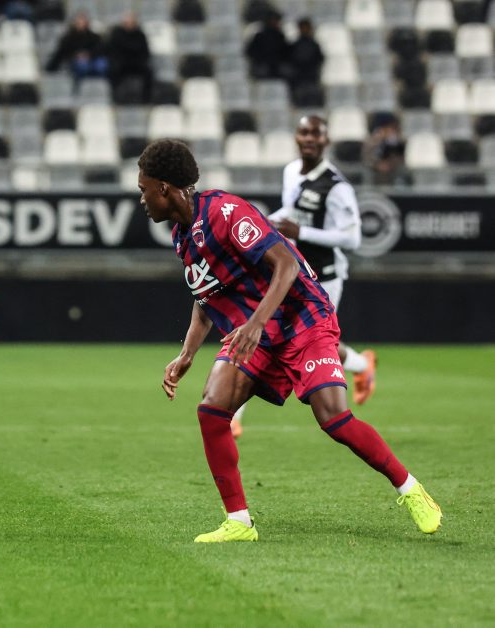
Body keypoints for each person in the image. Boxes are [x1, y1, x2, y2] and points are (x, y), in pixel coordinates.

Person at [137, 138, 441, 542]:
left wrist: (256, 322)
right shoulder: (182, 235)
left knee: (333, 418)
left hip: (302, 319)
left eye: (143, 190)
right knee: (212, 410)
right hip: (257, 333)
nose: (141, 200)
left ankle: (411, 489)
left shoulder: (227, 213)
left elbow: (285, 265)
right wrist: (186, 353)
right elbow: (204, 296)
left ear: (163, 188)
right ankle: (239, 522)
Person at [231, 115, 376, 438]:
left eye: (316, 133)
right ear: (296, 137)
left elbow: (352, 239)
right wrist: (263, 224)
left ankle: (362, 366)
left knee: (310, 343)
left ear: (325, 141)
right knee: (269, 334)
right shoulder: (291, 171)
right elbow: (291, 211)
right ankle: (233, 415)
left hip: (325, 278)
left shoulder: (337, 188)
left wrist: (303, 233)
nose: (309, 138)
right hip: (294, 274)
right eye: (304, 132)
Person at [44, 11, 108, 89]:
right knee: (83, 66)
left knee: (101, 65)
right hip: (76, 61)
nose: (81, 23)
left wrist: (88, 54)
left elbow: (100, 49)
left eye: (83, 20)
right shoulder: (68, 38)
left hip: (93, 59)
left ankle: (101, 88)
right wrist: (49, 68)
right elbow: (61, 53)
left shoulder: (94, 36)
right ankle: (83, 88)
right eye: (79, 21)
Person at [106, 11, 153, 103]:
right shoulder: (116, 34)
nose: (129, 24)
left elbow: (145, 52)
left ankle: (146, 100)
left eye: (132, 22)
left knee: (148, 73)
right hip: (121, 63)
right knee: (113, 71)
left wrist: (140, 60)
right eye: (127, 22)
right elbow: (111, 51)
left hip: (136, 63)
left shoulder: (140, 35)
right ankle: (115, 99)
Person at [362, 111, 407, 186]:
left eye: (392, 128)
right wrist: (377, 164)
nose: (389, 131)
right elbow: (366, 158)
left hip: (393, 172)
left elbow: (401, 157)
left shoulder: (398, 142)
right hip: (375, 172)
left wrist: (390, 163)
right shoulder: (372, 142)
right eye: (387, 128)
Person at [245, 9, 289, 80]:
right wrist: (261, 60)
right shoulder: (260, 36)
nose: (277, 23)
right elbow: (250, 52)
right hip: (265, 69)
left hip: (276, 69)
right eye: (275, 21)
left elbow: (285, 52)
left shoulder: (279, 36)